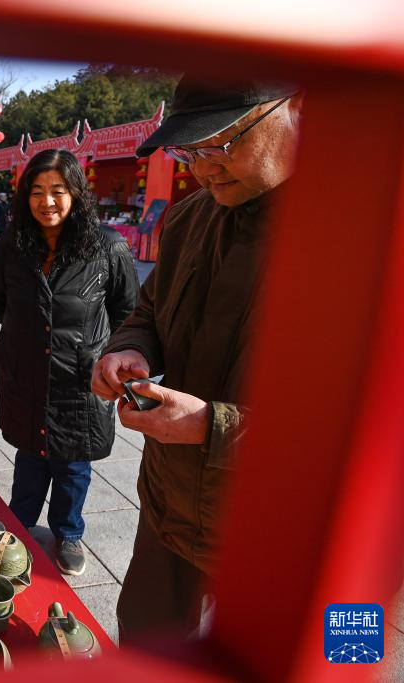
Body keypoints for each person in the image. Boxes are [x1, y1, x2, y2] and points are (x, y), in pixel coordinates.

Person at [90, 76, 302, 643]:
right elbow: (149, 311)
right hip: (170, 510)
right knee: (145, 645)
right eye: (190, 151)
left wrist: (213, 426)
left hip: (282, 536)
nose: (205, 169)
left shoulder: (361, 243)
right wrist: (130, 349)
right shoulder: (189, 220)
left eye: (222, 144)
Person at [0, 149, 139, 575]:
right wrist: (28, 334)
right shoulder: (12, 244)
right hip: (28, 371)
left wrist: (97, 351)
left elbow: (128, 310)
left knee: (73, 462)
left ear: (75, 194)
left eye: (57, 191)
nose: (46, 202)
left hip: (80, 377)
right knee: (30, 454)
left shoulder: (108, 246)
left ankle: (68, 531)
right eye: (37, 191)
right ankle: (19, 524)